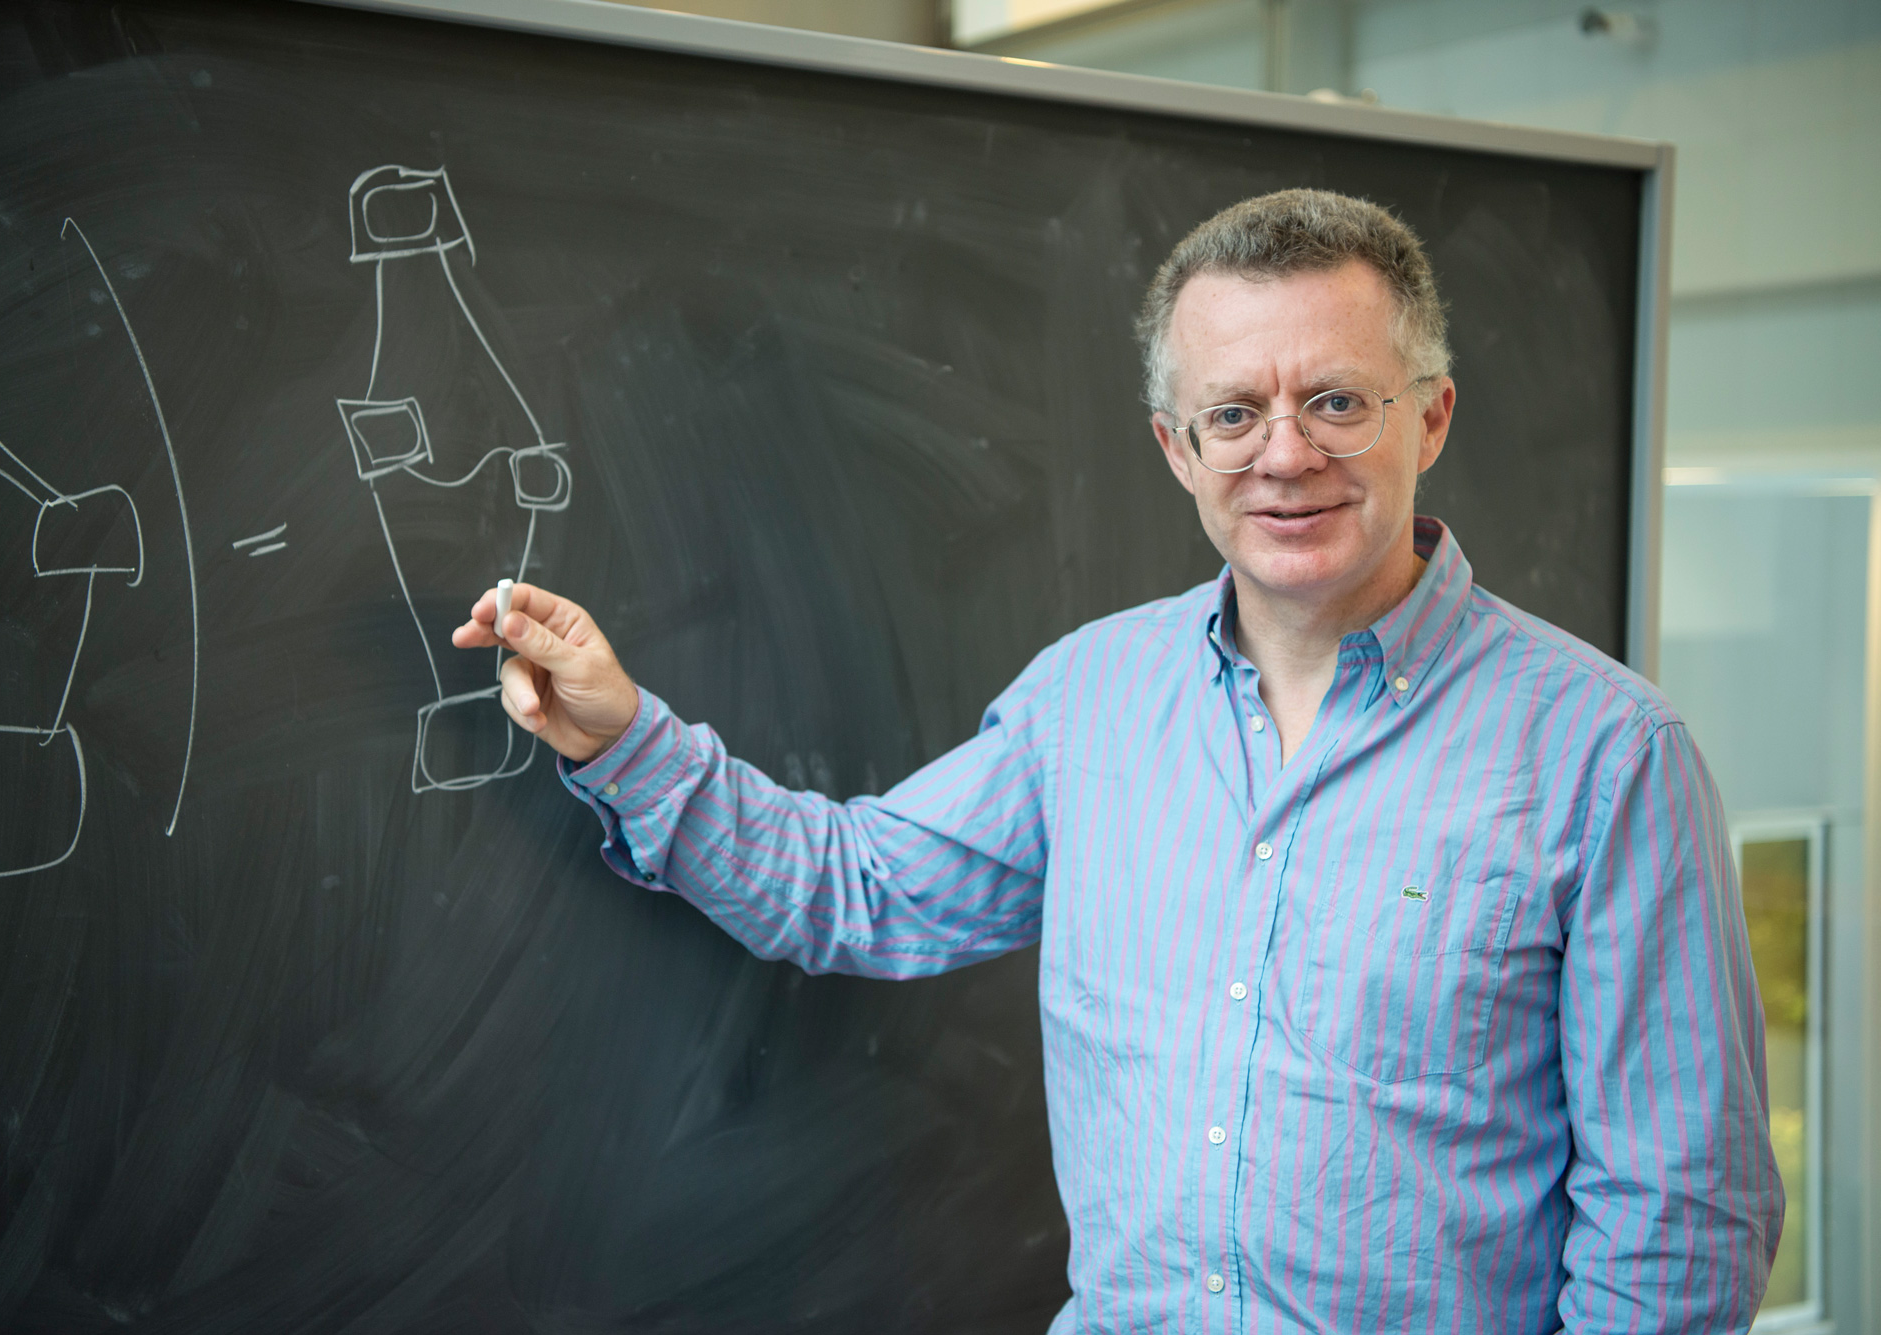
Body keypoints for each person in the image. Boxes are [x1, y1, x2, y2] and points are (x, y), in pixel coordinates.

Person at [452, 189, 1782, 1333]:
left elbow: (1676, 1217)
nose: (1285, 456)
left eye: (1337, 402)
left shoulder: (1609, 756)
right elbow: (854, 889)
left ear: (1429, 419)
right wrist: (626, 736)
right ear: (1175, 447)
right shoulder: (1088, 703)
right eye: (1232, 414)